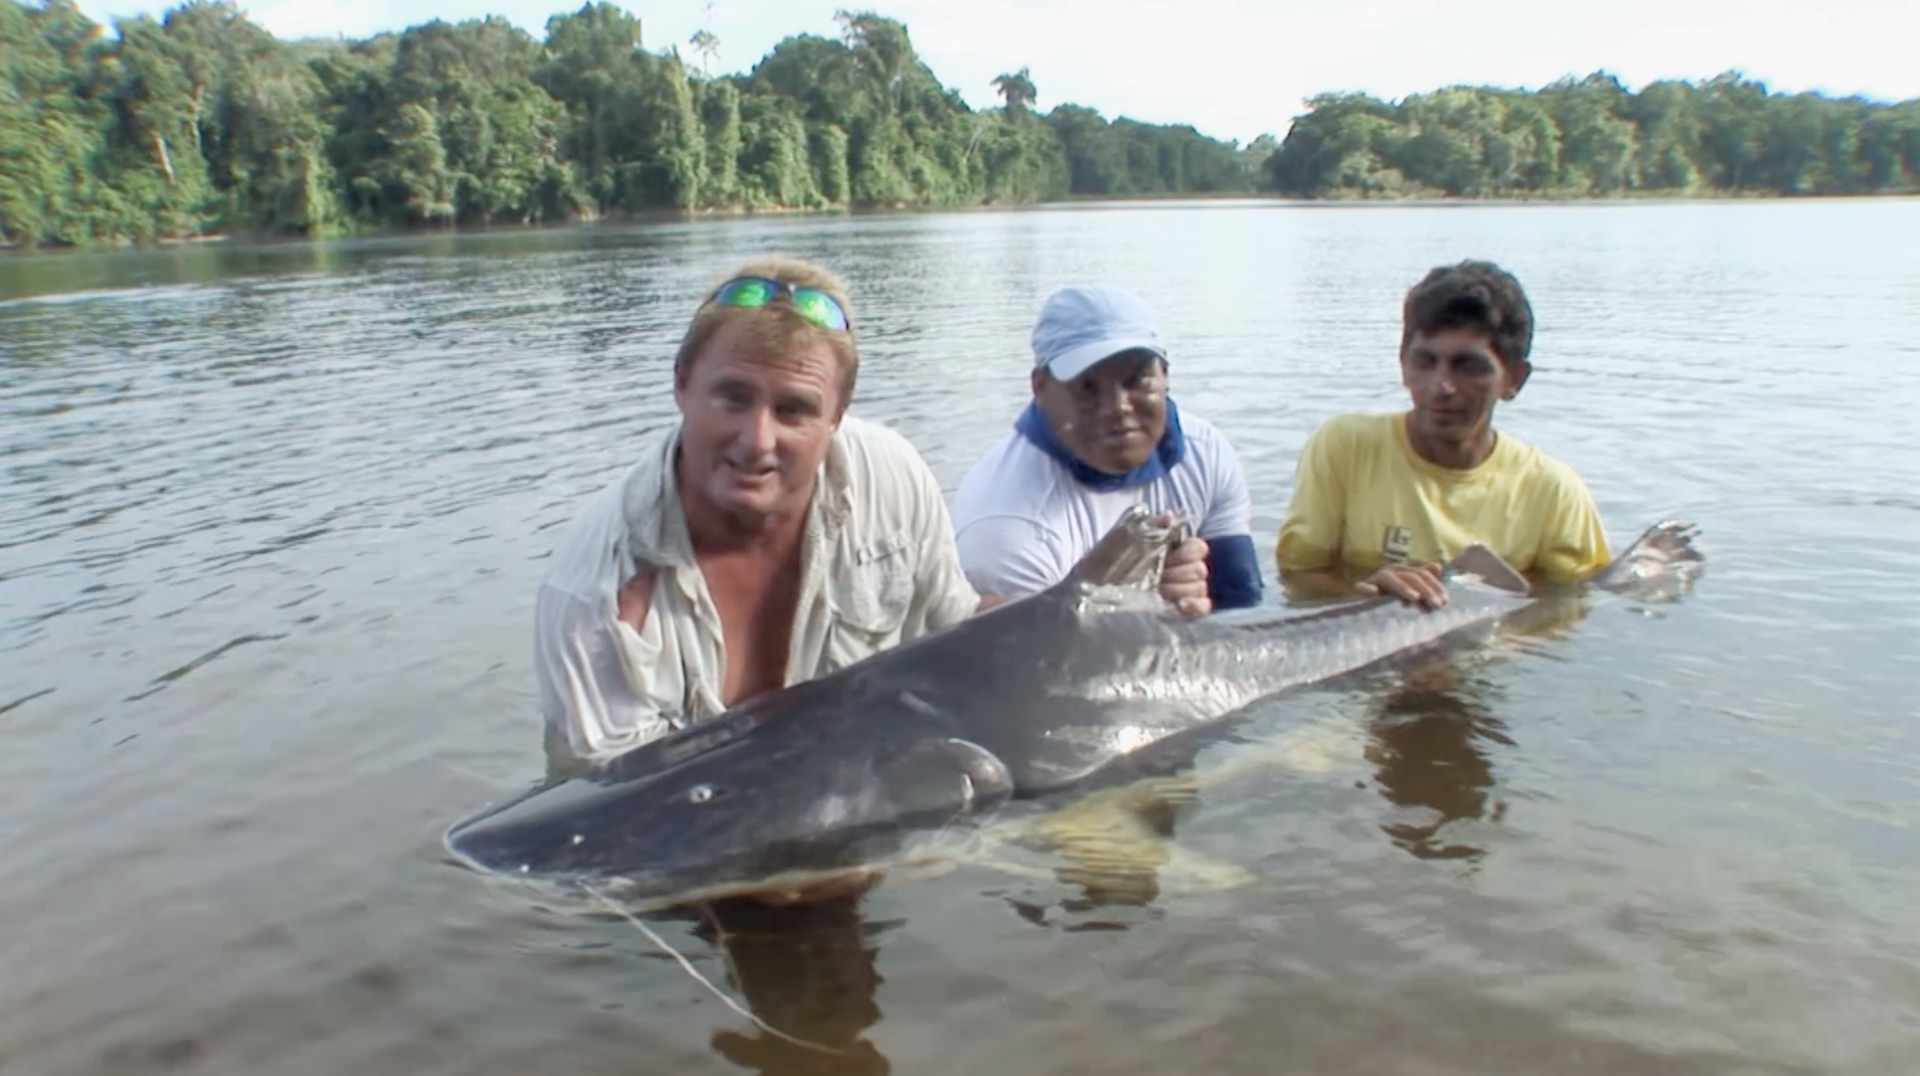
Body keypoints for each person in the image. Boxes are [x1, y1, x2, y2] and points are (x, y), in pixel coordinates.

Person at [532, 255, 1214, 776]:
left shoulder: (889, 475)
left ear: (838, 415)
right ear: (680, 385)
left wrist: (1107, 613)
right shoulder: (594, 597)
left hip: (849, 791)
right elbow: (623, 820)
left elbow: (959, 628)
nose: (757, 440)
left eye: (795, 409)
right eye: (732, 398)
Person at [1275, 259, 1612, 608]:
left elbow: (1574, 605)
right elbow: (1298, 575)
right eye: (1425, 362)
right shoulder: (1345, 447)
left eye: (1468, 367)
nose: (1442, 386)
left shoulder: (1553, 491)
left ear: (1514, 380)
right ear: (1403, 364)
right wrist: (1366, 594)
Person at [949, 284, 1264, 613]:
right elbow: (1031, 656)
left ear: (1165, 375)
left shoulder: (1205, 453)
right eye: (1087, 387)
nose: (1118, 406)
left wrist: (1193, 598)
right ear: (1040, 388)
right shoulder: (1004, 524)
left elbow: (1242, 606)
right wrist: (1150, 607)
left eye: (1136, 380)